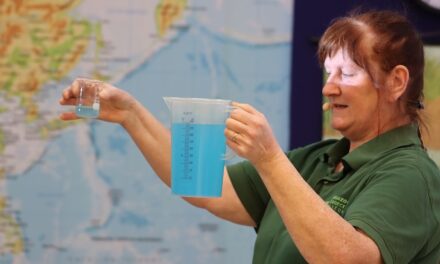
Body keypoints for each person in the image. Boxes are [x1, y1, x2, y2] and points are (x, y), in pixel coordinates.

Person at [59, 9, 440, 264]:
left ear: (396, 82)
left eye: (348, 73)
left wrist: (270, 158)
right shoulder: (317, 159)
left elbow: (346, 258)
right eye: (328, 73)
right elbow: (204, 185)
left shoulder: (410, 175)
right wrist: (130, 113)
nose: (329, 88)